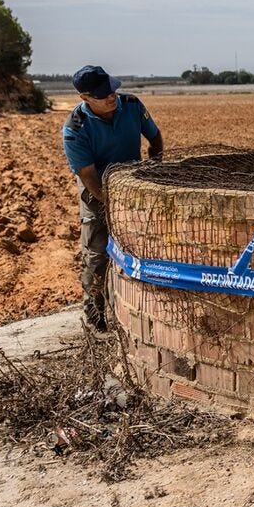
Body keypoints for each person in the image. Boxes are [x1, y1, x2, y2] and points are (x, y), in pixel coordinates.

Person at [61, 64, 163, 331]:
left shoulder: (131, 104)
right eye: (103, 94)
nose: (112, 96)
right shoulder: (75, 128)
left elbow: (155, 138)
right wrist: (112, 204)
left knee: (144, 245)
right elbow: (88, 175)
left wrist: (157, 167)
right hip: (97, 189)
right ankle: (96, 316)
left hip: (136, 183)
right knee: (97, 254)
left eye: (112, 89)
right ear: (84, 98)